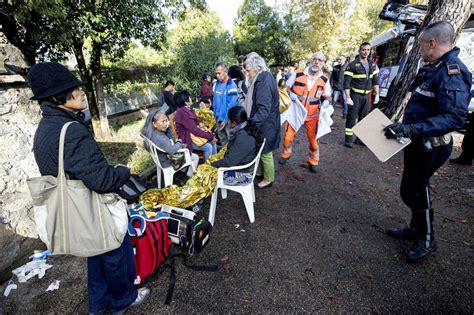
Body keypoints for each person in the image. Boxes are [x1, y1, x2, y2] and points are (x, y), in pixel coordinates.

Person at [26, 62, 150, 314]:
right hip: (93, 208)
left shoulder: (45, 129)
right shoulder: (71, 131)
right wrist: (123, 171)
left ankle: (98, 304)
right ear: (56, 97)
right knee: (116, 253)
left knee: (96, 256)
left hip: (75, 211)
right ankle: (123, 300)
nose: (81, 92)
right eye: (73, 89)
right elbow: (102, 180)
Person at [383, 21, 472, 263]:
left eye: (421, 45)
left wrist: (412, 128)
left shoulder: (452, 71)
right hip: (418, 141)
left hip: (432, 146)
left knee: (416, 189)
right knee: (412, 187)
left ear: (432, 43)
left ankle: (427, 239)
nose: (419, 50)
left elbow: (454, 117)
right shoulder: (435, 67)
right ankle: (416, 229)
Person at [279, 52, 331, 173]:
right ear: (310, 60)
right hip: (296, 112)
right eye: (314, 59)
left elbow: (328, 95)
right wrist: (290, 93)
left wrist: (326, 102)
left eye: (320, 60)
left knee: (313, 140)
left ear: (323, 63)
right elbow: (285, 87)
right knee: (288, 136)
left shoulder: (324, 79)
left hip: (313, 115)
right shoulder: (298, 73)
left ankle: (313, 161)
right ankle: (286, 155)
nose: (316, 62)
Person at [243, 52, 281, 188]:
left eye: (248, 70)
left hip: (266, 125)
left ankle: (269, 179)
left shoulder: (262, 82)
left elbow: (263, 110)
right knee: (260, 150)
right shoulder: (265, 77)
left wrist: (250, 125)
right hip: (268, 123)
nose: (247, 74)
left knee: (265, 152)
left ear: (257, 67)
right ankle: (260, 173)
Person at [212, 106, 264, 185]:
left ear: (234, 123)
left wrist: (213, 164)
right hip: (243, 163)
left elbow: (229, 162)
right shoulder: (246, 126)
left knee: (209, 175)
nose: (228, 122)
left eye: (229, 120)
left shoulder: (244, 137)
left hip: (243, 171)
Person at [344, 42, 380, 148]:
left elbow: (375, 81)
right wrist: (348, 97)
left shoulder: (372, 65)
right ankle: (348, 140)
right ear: (359, 51)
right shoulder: (352, 65)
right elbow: (346, 83)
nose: (366, 52)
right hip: (355, 95)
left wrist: (377, 94)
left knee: (363, 118)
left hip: (366, 96)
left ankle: (359, 139)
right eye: (363, 50)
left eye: (368, 50)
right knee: (351, 118)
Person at [141, 109, 198, 176]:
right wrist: (179, 142)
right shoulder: (159, 138)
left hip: (161, 159)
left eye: (166, 120)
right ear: (154, 124)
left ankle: (184, 171)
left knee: (186, 151)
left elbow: (170, 141)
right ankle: (189, 175)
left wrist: (168, 129)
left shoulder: (152, 132)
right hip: (168, 161)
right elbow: (172, 150)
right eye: (163, 121)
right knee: (195, 157)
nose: (166, 124)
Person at [174, 90, 217, 161]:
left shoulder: (186, 109)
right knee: (208, 146)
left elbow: (194, 122)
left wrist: (199, 122)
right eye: (189, 97)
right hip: (188, 139)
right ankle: (208, 168)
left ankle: (215, 163)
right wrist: (211, 136)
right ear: (185, 101)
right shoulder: (183, 113)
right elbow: (195, 131)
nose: (191, 98)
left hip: (193, 136)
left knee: (213, 142)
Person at [213, 63, 238, 144]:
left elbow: (231, 105)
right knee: (222, 140)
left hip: (227, 120)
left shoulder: (231, 86)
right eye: (216, 73)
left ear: (226, 72)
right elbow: (215, 100)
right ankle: (224, 155)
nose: (217, 75)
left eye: (219, 73)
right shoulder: (216, 84)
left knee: (230, 140)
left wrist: (226, 119)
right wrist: (215, 116)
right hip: (218, 118)